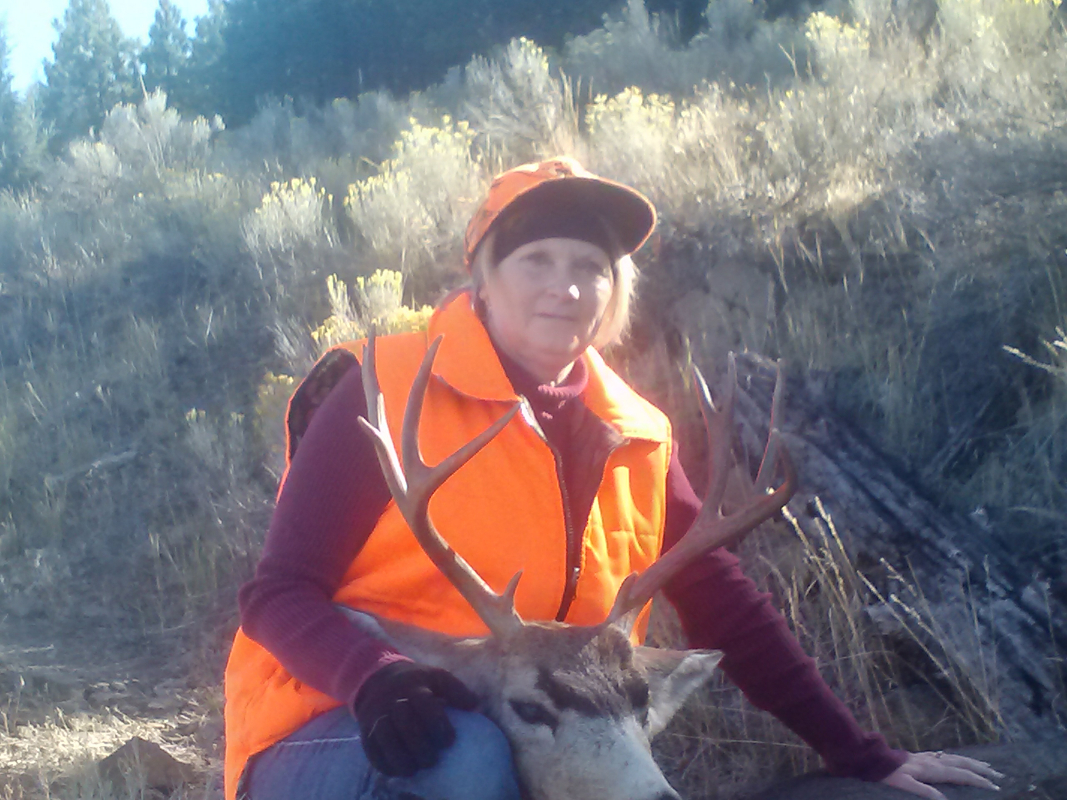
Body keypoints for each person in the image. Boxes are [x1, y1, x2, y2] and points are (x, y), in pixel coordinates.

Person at [223, 157, 1003, 800]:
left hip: (529, 715)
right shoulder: (384, 386)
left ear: (614, 293)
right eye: (534, 261)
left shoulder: (635, 431)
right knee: (465, 761)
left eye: (590, 267)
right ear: (481, 280)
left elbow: (717, 599)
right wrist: (373, 679)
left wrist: (860, 754)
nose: (564, 287)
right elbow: (275, 594)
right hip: (340, 719)